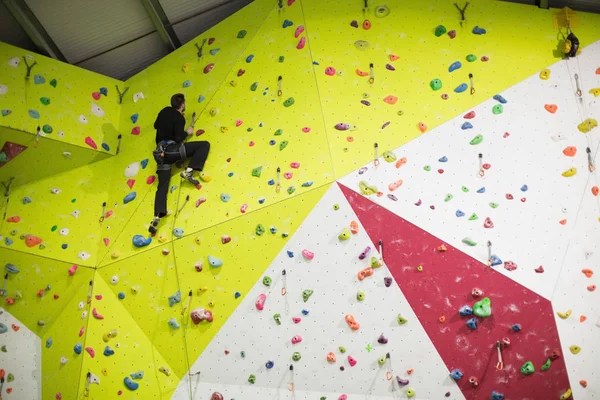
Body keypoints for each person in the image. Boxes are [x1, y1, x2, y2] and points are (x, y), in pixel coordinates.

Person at [149, 93, 210, 235]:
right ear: (182, 105)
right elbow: (177, 138)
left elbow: (156, 125)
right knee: (204, 145)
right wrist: (187, 132)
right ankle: (188, 171)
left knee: (162, 186)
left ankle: (157, 215)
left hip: (160, 155)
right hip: (172, 150)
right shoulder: (179, 118)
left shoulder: (164, 111)